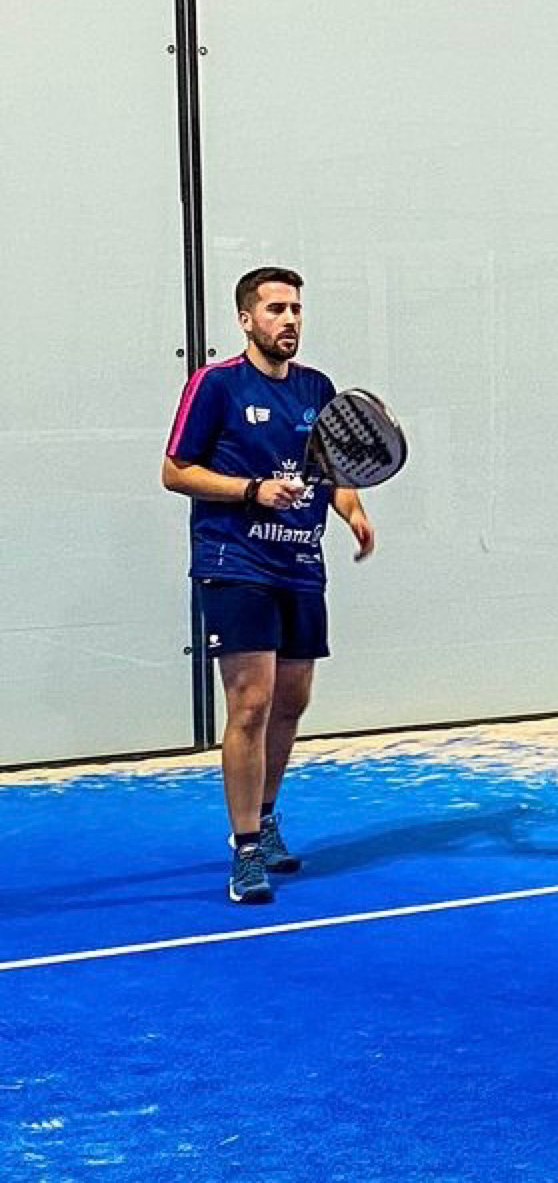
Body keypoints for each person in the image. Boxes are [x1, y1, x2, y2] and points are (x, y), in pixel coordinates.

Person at [163, 267, 375, 904]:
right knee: (250, 704)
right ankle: (246, 848)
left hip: (301, 565)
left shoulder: (318, 389)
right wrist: (252, 489)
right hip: (235, 564)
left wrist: (354, 512)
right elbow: (176, 472)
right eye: (276, 309)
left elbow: (336, 474)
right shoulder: (216, 384)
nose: (289, 320)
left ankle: (267, 814)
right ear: (246, 319)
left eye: (296, 309)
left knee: (290, 703)